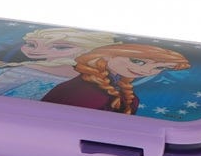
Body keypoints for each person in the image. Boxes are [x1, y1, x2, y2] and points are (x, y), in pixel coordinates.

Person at [0, 28, 116, 99]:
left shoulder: (21, 71)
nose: (37, 51)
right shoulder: (95, 75)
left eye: (60, 47)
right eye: (31, 44)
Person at [42, 44, 190, 114]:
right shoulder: (83, 92)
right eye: (137, 61)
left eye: (159, 67)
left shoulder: (127, 95)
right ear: (106, 57)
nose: (146, 71)